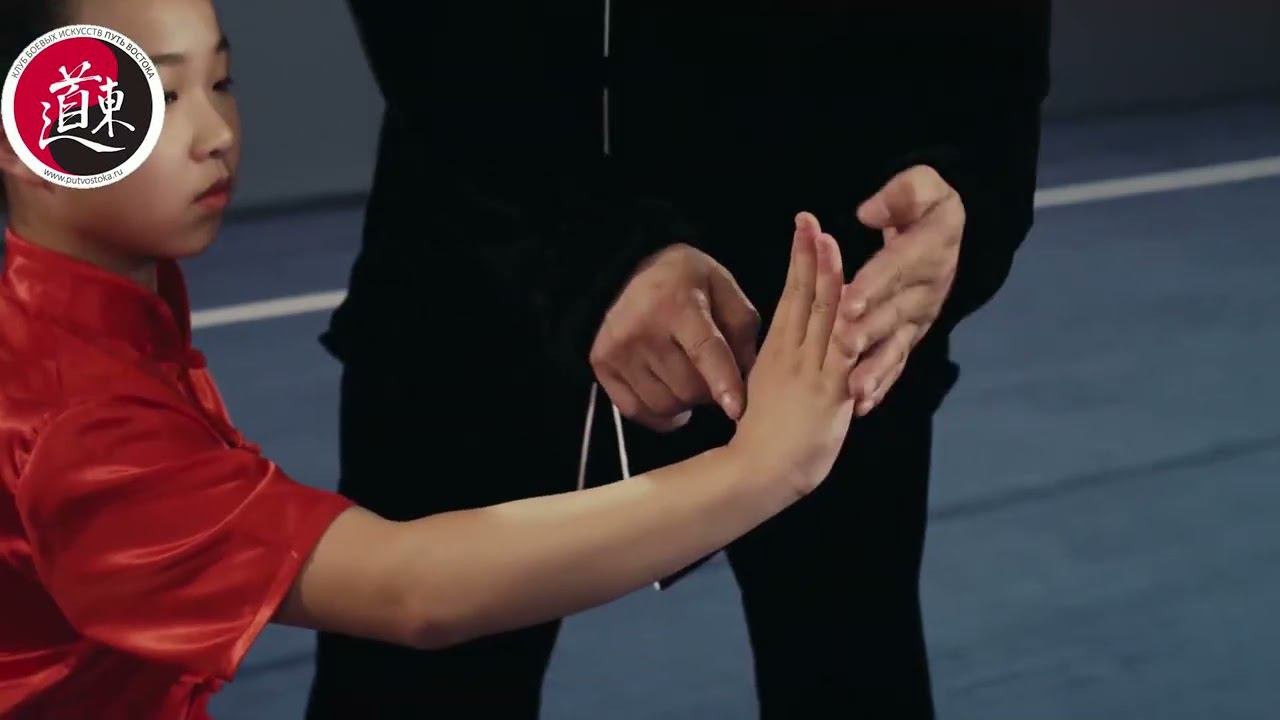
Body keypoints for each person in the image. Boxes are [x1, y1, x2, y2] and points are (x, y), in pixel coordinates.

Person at [0, 1, 880, 718]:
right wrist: (758, 470)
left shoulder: (88, 315)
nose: (215, 133)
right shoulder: (82, 423)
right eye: (150, 97)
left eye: (220, 81)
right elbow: (411, 589)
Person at [314, 1, 1051, 718]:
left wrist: (973, 188)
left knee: (849, 671)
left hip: (833, 306)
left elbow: (995, 55)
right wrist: (590, 254)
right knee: (415, 678)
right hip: (482, 288)